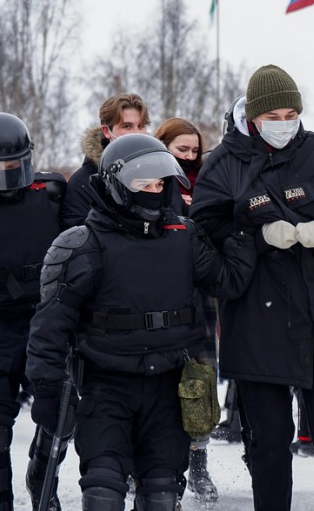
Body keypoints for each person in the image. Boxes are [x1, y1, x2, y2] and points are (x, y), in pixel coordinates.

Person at [25, 134, 256, 510]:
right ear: (117, 185)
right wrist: (48, 390)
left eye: (160, 184)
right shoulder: (82, 244)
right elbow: (50, 326)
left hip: (168, 387)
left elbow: (227, 281)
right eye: (142, 184)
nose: (153, 192)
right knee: (102, 492)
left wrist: (242, 229)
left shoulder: (183, 237)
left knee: (162, 496)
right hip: (106, 387)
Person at [189, 64, 314, 511]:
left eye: (292, 112)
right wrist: (256, 235)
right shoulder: (224, 163)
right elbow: (203, 232)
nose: (284, 122)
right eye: (274, 115)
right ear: (253, 116)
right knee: (268, 441)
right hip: (256, 318)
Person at [0, 113, 66, 510]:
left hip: (43, 325)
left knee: (59, 419)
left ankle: (42, 476)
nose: (4, 175)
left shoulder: (52, 194)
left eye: (11, 166)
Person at [154, 117, 220, 501]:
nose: (190, 158)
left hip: (199, 298)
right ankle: (158, 467)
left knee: (199, 382)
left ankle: (199, 465)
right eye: (182, 150)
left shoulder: (206, 184)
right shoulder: (152, 185)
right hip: (161, 296)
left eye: (195, 151)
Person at [60, 93, 149, 228]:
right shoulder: (83, 181)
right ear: (106, 131)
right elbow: (77, 237)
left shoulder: (156, 174)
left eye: (141, 126)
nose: (137, 133)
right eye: (127, 126)